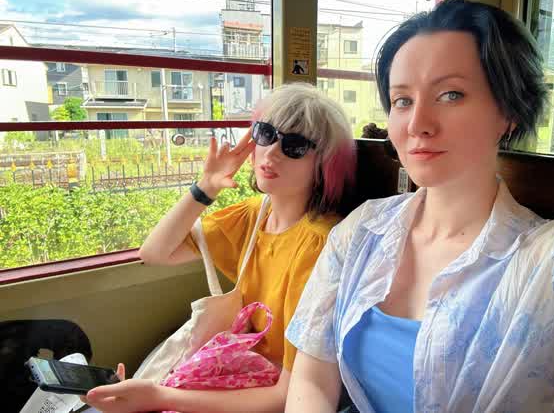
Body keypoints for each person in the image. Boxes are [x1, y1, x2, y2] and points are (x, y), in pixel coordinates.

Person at [284, 0, 554, 413]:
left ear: (509, 112)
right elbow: (311, 376)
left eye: (451, 94)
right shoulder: (362, 230)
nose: (418, 124)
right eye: (402, 100)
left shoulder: (550, 258)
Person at [83, 82, 356, 413]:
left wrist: (160, 397)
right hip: (235, 371)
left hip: (266, 394)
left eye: (294, 146)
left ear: (324, 164)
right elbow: (155, 252)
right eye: (266, 134)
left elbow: (287, 395)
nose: (271, 153)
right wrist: (206, 186)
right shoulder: (254, 215)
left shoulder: (319, 245)